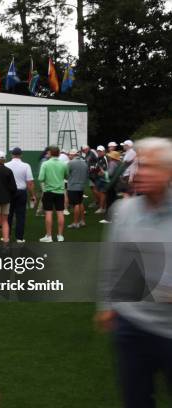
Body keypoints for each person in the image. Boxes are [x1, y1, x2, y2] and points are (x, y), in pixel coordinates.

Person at [95, 137, 172, 408]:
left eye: (150, 167)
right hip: (131, 326)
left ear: (168, 172)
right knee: (136, 400)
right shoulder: (124, 210)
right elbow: (112, 262)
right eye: (140, 164)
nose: (139, 173)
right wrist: (106, 305)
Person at [4, 147, 37, 243]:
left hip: (9, 192)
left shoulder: (6, 165)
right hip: (21, 192)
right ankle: (19, 238)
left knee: (8, 215)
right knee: (20, 216)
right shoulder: (26, 165)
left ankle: (7, 236)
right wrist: (33, 195)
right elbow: (30, 182)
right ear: (21, 155)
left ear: (12, 155)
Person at [38, 146, 69, 242]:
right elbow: (66, 176)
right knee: (60, 212)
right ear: (59, 153)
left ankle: (49, 236)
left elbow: (40, 178)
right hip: (60, 192)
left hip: (48, 192)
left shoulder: (45, 164)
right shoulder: (63, 164)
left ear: (50, 153)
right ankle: (60, 235)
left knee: (48, 213)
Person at [66, 149, 89, 229]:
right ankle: (82, 221)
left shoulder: (71, 163)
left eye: (70, 155)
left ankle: (75, 223)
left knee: (76, 204)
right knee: (80, 203)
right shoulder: (84, 162)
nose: (69, 156)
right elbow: (87, 174)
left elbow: (66, 174)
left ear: (73, 155)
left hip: (73, 187)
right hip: (81, 186)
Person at [94, 145, 109, 214]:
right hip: (100, 178)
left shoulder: (105, 158)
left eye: (100, 151)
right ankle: (103, 207)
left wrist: (102, 173)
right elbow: (98, 167)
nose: (98, 152)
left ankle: (102, 208)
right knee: (100, 192)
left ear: (104, 151)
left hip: (105, 179)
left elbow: (107, 170)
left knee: (103, 193)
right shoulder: (99, 158)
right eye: (98, 151)